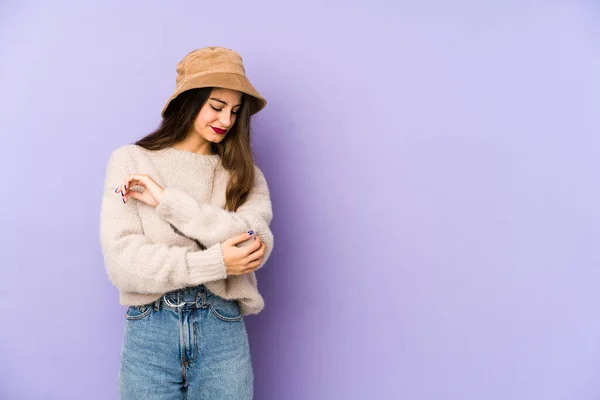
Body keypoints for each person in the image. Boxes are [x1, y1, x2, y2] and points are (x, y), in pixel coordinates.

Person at [99, 46, 274, 399]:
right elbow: (123, 263)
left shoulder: (244, 176)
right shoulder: (132, 162)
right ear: (189, 101)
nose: (226, 120)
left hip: (222, 330)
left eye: (235, 111)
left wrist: (168, 202)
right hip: (150, 332)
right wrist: (218, 262)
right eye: (217, 106)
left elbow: (252, 247)